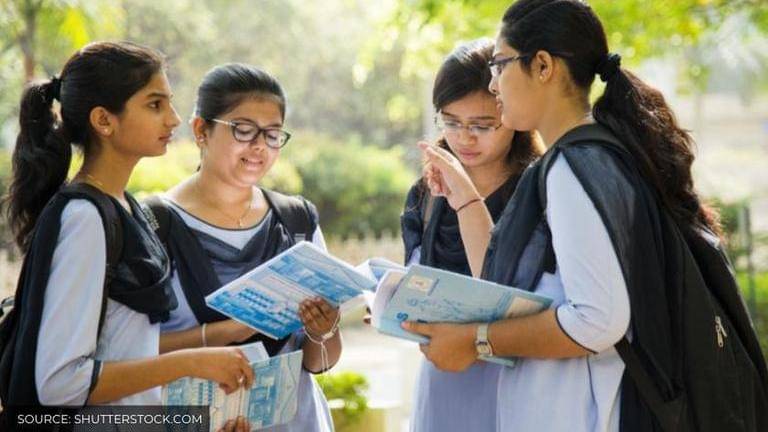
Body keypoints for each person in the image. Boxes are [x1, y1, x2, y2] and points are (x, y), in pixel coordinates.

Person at [406, 1, 767, 431]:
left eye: (500, 65)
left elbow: (597, 320)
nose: (492, 82)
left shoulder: (573, 168)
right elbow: (512, 288)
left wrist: (477, 341)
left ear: (543, 66)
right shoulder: (593, 155)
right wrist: (465, 198)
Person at [1, 41, 253, 430]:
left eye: (170, 103)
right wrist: (191, 362)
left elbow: (125, 360)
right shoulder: (85, 218)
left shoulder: (126, 208)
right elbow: (60, 384)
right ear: (104, 120)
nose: (173, 119)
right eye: (155, 105)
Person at [148, 63, 337, 432]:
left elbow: (319, 363)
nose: (259, 147)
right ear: (201, 130)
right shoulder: (153, 225)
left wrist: (323, 330)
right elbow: (124, 355)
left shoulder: (296, 222)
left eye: (272, 134)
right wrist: (221, 334)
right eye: (243, 130)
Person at [399, 38, 540, 432]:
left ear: (512, 113)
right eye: (451, 122)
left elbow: (509, 290)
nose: (464, 138)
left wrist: (465, 198)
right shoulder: (426, 192)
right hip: (442, 379)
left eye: (481, 125)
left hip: (518, 379)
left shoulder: (538, 189)